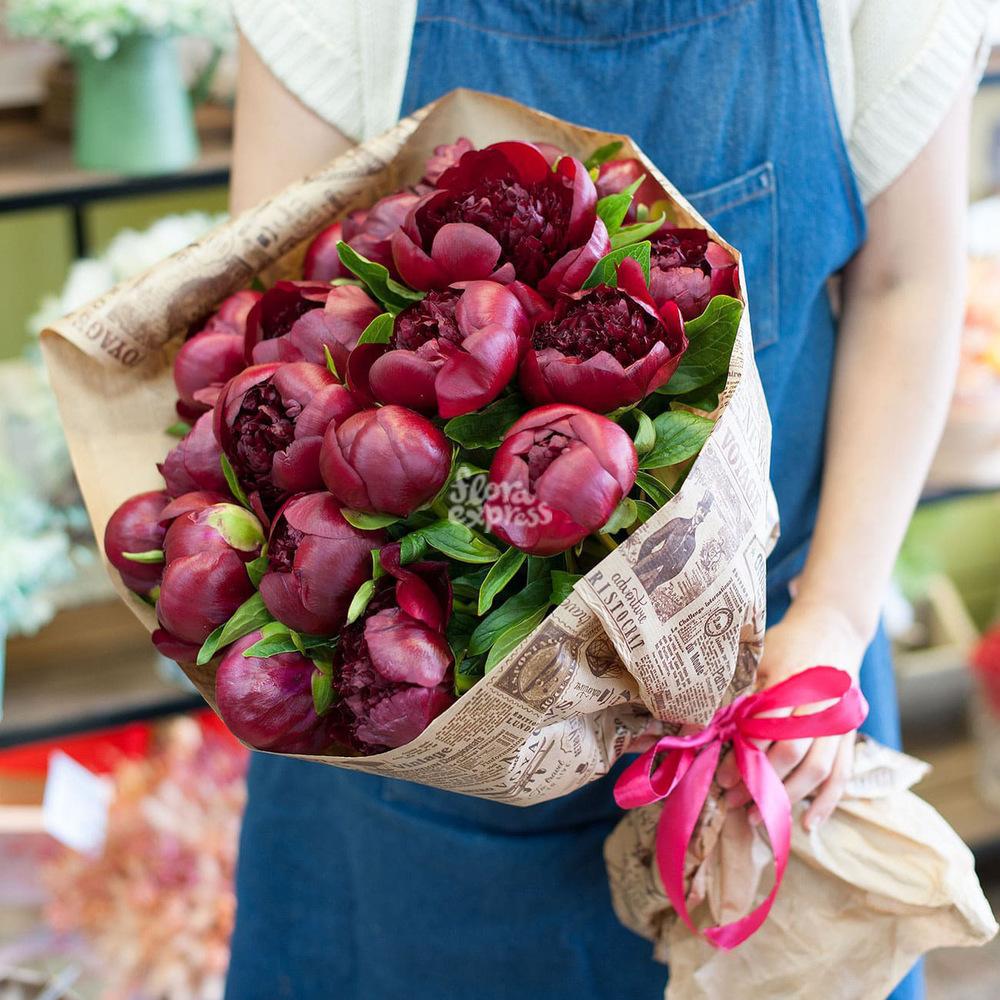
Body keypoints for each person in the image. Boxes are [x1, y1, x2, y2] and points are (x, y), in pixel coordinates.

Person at [224, 2, 992, 998]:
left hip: (769, 670)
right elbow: (276, 309)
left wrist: (836, 614)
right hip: (423, 715)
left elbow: (906, 281)